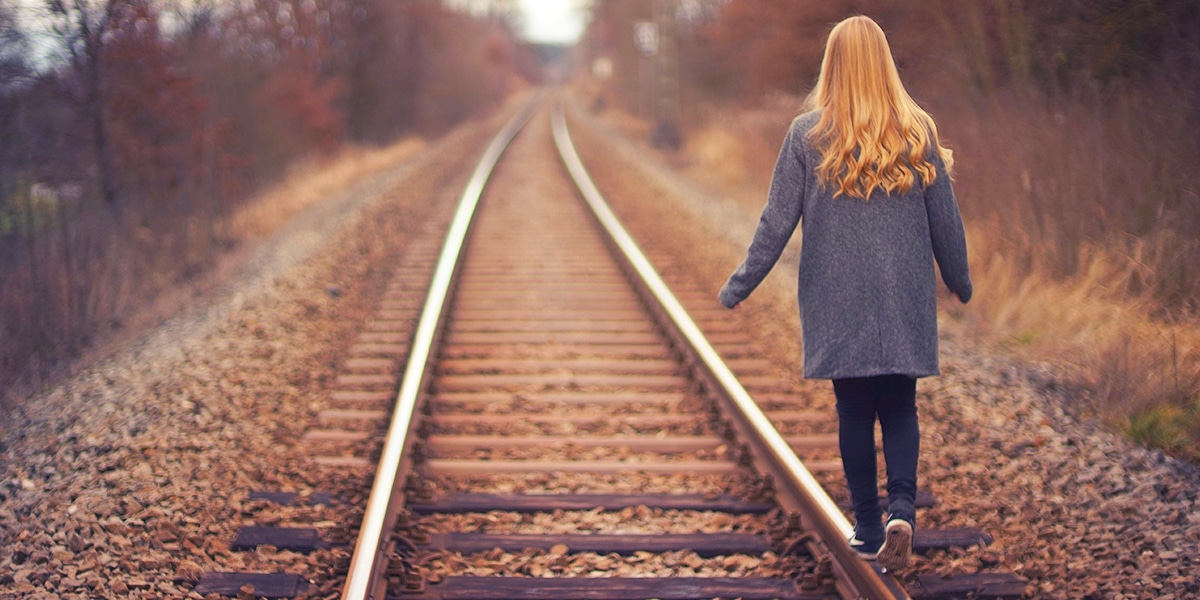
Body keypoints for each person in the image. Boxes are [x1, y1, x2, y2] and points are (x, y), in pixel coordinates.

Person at [718, 15, 972, 571]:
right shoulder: (917, 131)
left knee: (854, 411)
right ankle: (903, 505)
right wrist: (960, 281)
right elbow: (945, 222)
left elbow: (775, 222)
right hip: (902, 295)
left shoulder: (806, 135)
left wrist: (740, 285)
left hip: (838, 299)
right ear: (884, 64)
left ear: (831, 66)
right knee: (900, 404)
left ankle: (866, 524)